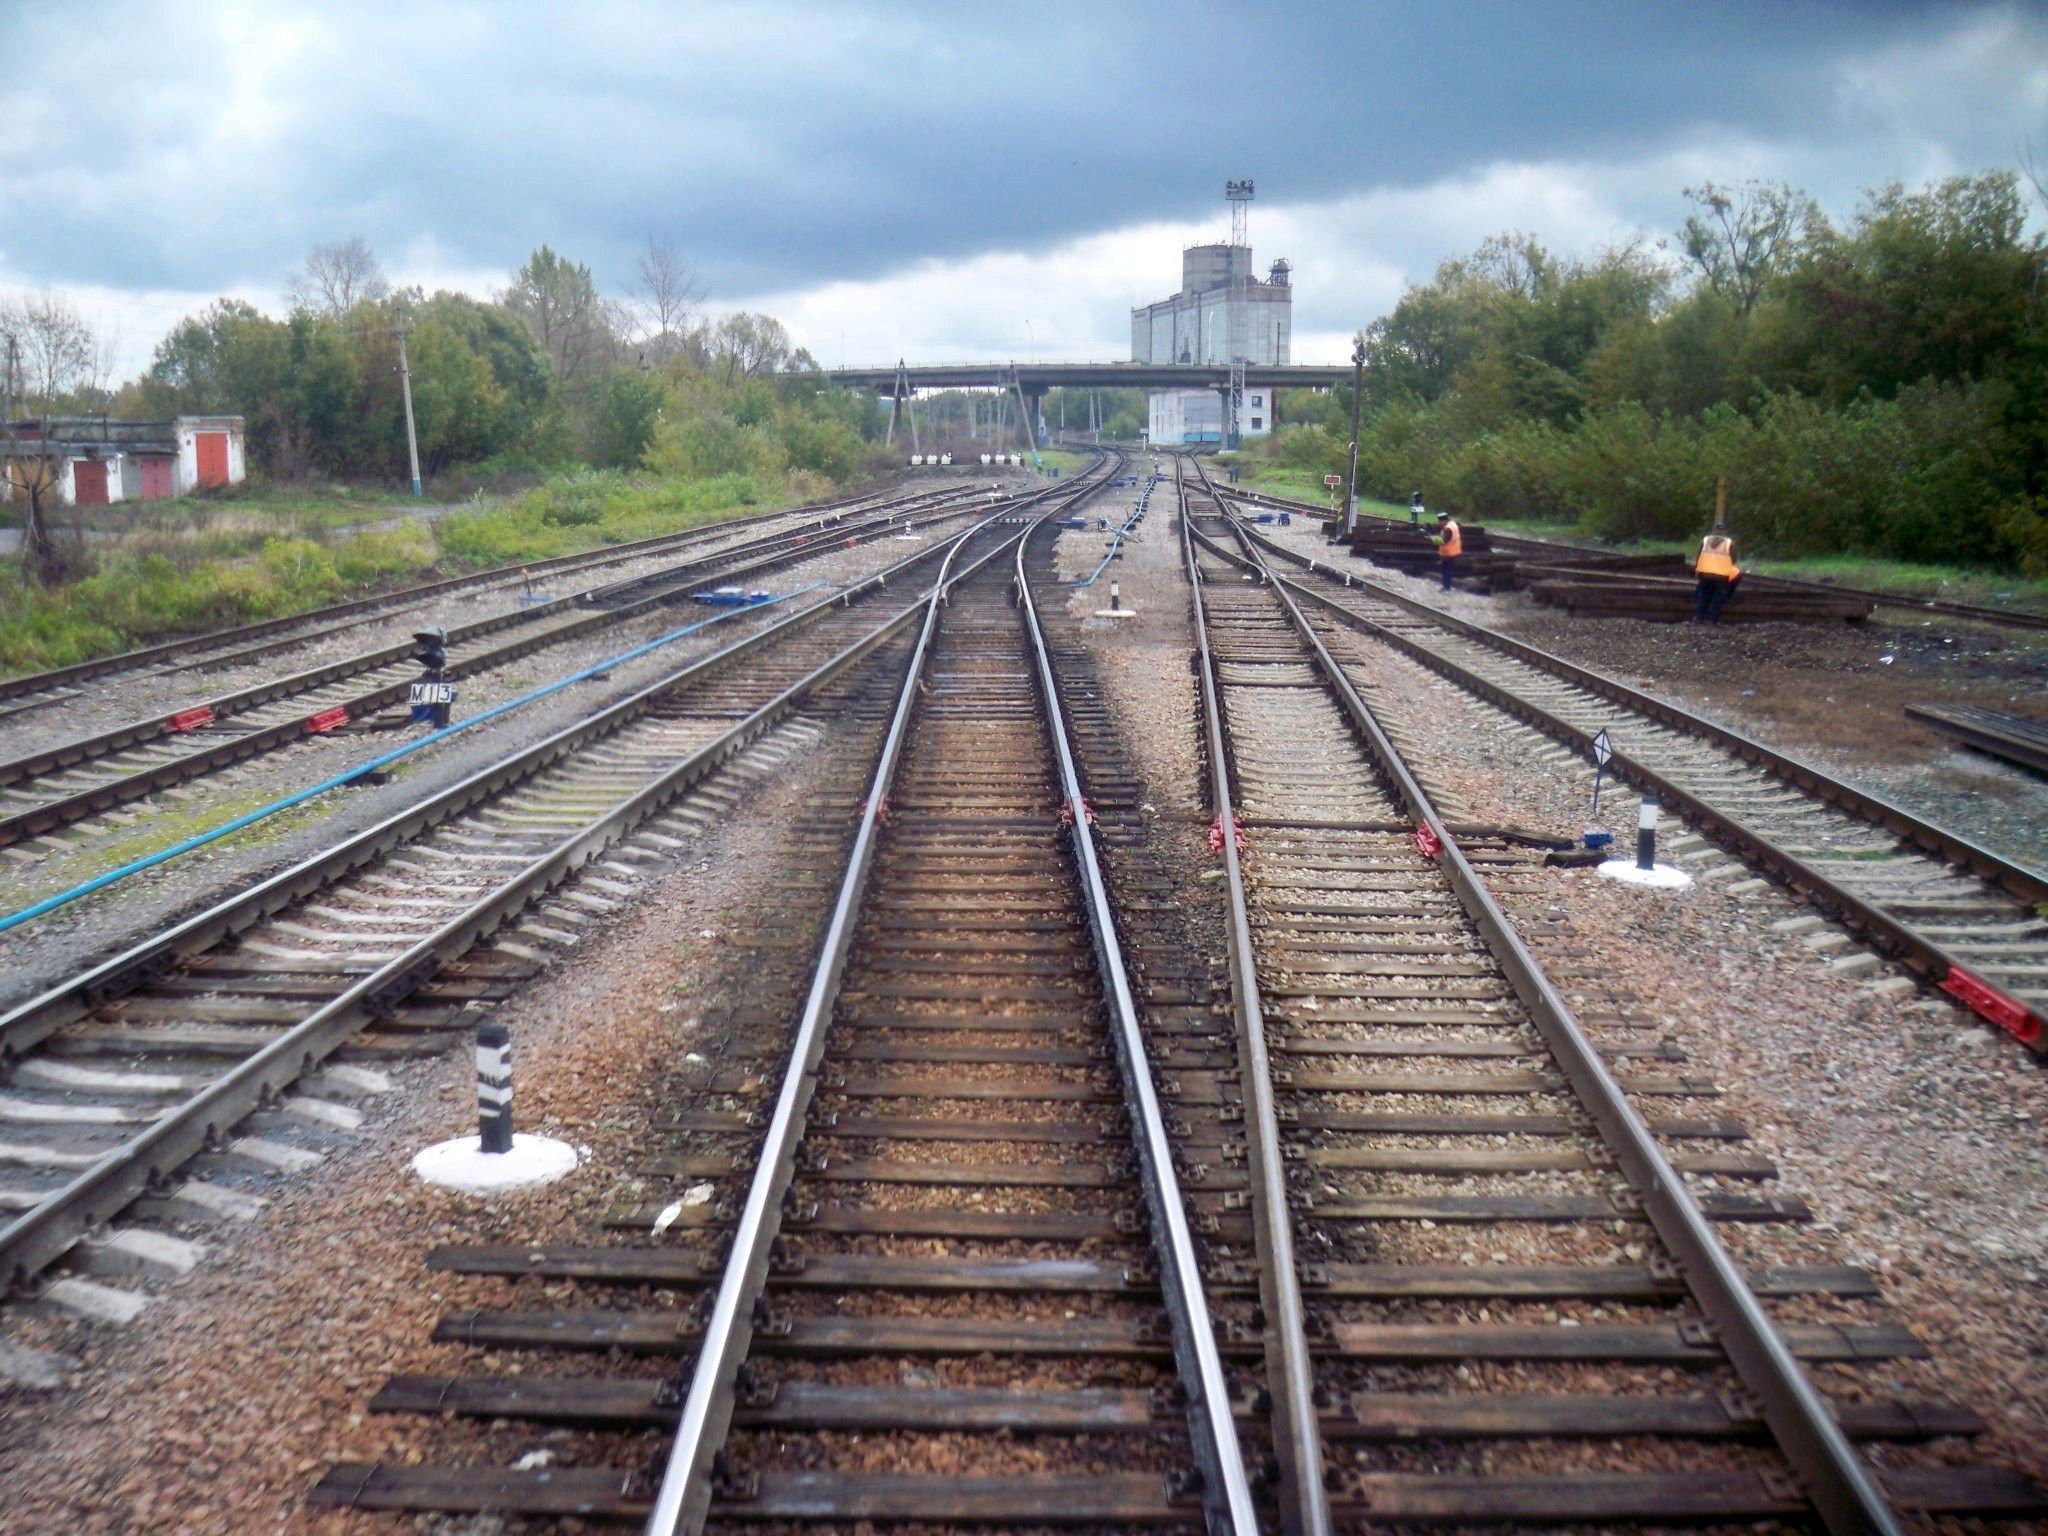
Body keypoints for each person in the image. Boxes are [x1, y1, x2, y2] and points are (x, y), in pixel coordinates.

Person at [1693, 522, 1740, 623]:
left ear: (1713, 530)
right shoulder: (1729, 543)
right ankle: (1713, 620)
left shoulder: (1704, 540)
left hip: (1705, 574)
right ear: (1724, 531)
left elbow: (1698, 556)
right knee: (1718, 597)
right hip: (1722, 575)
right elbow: (1734, 560)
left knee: (1703, 595)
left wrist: (1698, 570)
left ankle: (1699, 618)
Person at [1436, 510, 1462, 590]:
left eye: (1440, 521)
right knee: (1449, 569)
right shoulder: (1453, 524)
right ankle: (1447, 586)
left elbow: (1443, 541)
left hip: (1448, 553)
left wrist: (1433, 538)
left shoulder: (1448, 529)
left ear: (1443, 520)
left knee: (1446, 570)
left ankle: (1446, 587)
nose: (1439, 523)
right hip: (1454, 551)